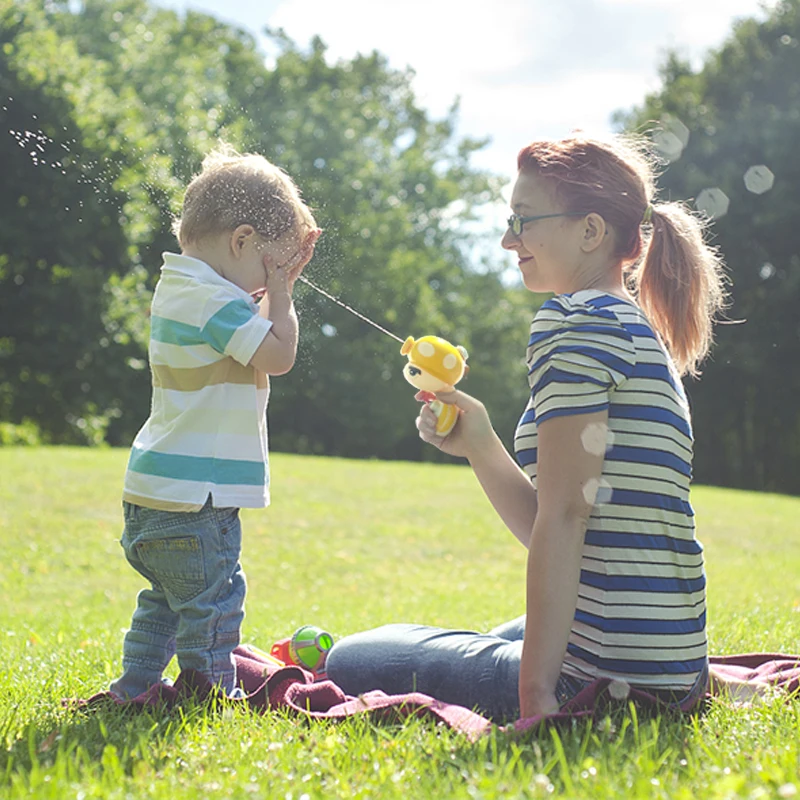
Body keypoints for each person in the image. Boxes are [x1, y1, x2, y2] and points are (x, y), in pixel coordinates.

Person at [325, 134, 729, 721]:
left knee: (352, 657)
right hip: (674, 671)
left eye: (523, 221)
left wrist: (537, 700)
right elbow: (569, 520)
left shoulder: (572, 323)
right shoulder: (635, 329)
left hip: (602, 679)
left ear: (590, 232)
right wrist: (481, 443)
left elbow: (567, 515)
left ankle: (532, 676)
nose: (508, 239)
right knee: (496, 632)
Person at [109, 144, 321, 700]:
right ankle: (209, 694)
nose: (265, 280)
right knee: (214, 602)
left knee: (164, 601)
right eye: (267, 263)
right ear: (242, 241)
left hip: (154, 492)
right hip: (196, 501)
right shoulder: (214, 302)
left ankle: (136, 687)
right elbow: (278, 355)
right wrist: (283, 293)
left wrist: (267, 287)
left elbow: (251, 337)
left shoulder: (182, 289)